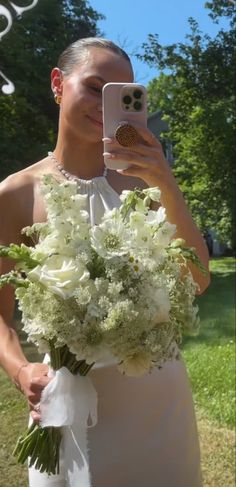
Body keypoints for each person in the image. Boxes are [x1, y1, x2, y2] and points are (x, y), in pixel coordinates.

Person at [0, 37, 210, 487]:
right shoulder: (16, 195)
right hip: (69, 404)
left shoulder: (149, 184)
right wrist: (21, 370)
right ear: (58, 84)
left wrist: (164, 181)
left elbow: (196, 279)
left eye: (123, 93)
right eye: (96, 87)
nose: (106, 103)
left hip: (157, 407)